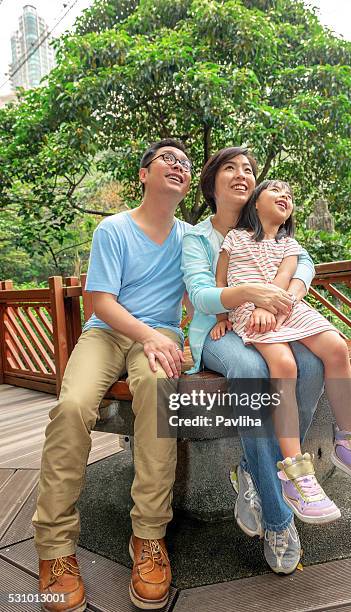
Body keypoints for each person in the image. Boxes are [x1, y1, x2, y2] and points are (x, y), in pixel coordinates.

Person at [33, 139, 194, 611]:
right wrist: (150, 336)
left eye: (185, 164)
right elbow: (100, 302)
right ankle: (55, 548)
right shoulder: (114, 229)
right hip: (107, 333)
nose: (178, 166)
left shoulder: (191, 237)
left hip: (161, 338)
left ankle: (148, 535)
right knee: (71, 406)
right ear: (144, 174)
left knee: (159, 393)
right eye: (167, 159)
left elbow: (197, 298)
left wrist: (198, 336)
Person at [211, 178, 351, 525]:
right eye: (276, 190)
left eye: (290, 195)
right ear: (255, 201)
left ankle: (349, 442)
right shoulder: (234, 238)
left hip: (284, 307)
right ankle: (295, 470)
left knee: (335, 347)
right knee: (284, 364)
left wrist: (273, 304)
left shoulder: (290, 244)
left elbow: (285, 276)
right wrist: (222, 317)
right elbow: (220, 283)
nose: (285, 196)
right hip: (251, 311)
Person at [181, 147, 325, 575]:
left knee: (313, 364)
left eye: (249, 169)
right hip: (218, 332)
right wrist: (249, 295)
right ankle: (280, 520)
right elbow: (203, 294)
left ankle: (251, 467)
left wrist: (284, 299)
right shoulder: (197, 237)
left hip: (269, 326)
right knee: (252, 370)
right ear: (212, 184)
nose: (242, 175)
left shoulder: (269, 230)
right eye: (230, 168)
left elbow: (306, 265)